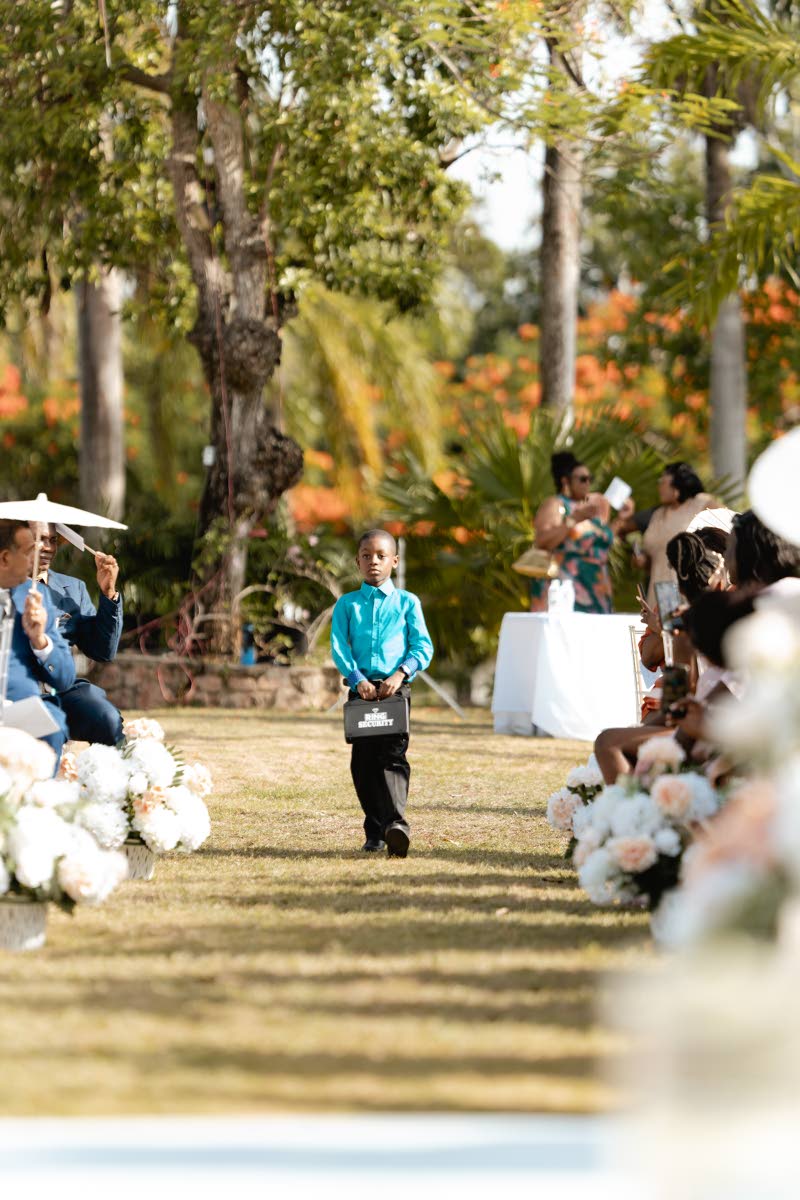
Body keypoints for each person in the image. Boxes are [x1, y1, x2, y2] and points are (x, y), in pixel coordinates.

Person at [330, 529, 434, 857]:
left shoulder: (407, 603)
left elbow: (422, 645)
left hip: (395, 691)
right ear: (357, 560)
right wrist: (356, 677)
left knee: (392, 756)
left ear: (394, 561)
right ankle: (374, 830)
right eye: (366, 555)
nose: (373, 561)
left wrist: (401, 672)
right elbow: (339, 646)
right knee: (363, 763)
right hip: (361, 692)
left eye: (381, 555)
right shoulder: (347, 605)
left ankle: (396, 825)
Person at [18, 522, 124, 746]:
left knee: (106, 717)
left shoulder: (73, 589)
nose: (48, 547)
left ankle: (115, 777)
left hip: (61, 691)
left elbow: (102, 650)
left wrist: (108, 593)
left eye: (53, 540)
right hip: (14, 691)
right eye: (39, 539)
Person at [0, 519, 75, 767]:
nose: (37, 557)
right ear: (5, 559)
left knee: (52, 725)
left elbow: (64, 677)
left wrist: (40, 639)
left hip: (22, 708)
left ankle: (35, 804)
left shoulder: (38, 598)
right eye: (28, 551)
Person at [532, 452, 634, 613]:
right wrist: (574, 519)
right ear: (565, 481)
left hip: (597, 587)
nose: (587, 483)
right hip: (568, 588)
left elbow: (600, 544)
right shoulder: (556, 505)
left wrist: (621, 519)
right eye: (582, 479)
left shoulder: (592, 508)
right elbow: (542, 541)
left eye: (589, 479)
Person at [636, 462, 717, 608]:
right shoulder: (658, 514)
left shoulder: (702, 503)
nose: (659, 486)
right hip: (660, 588)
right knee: (662, 629)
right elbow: (655, 556)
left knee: (685, 628)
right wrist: (643, 560)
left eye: (663, 482)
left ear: (677, 484)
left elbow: (725, 536)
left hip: (690, 588)